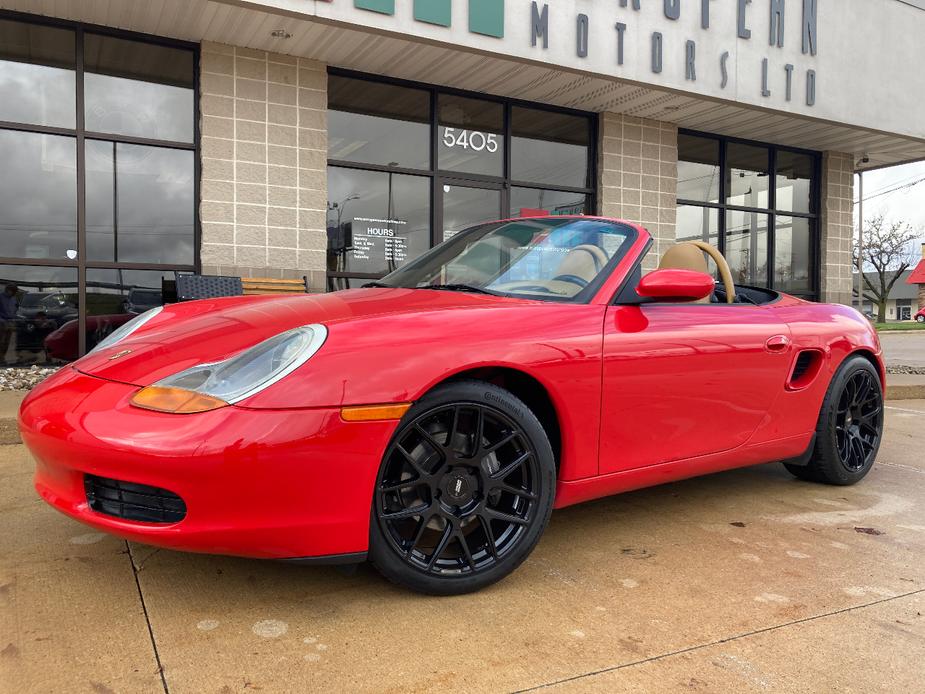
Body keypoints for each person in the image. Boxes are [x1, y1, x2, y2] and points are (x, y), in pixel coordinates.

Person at [0, 284, 19, 364]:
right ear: (8, 290)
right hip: (1, 322)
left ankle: (2, 357)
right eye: (13, 291)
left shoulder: (14, 299)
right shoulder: (0, 297)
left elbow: (15, 310)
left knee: (7, 341)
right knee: (1, 341)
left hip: (10, 321)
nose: (14, 293)